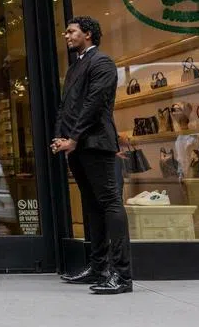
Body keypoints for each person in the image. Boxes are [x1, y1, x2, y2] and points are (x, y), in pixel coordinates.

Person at [52, 16, 132, 295]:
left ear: (87, 34)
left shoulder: (103, 63)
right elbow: (66, 107)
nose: (67, 36)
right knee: (92, 206)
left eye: (71, 31)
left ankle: (122, 276)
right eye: (66, 31)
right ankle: (98, 268)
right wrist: (59, 138)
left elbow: (95, 104)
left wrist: (73, 138)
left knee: (110, 204)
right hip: (76, 146)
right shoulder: (75, 67)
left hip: (96, 143)